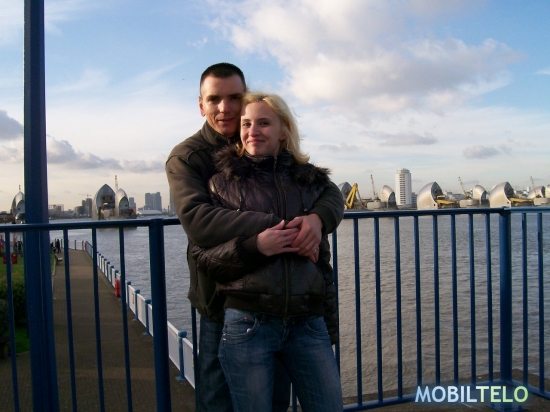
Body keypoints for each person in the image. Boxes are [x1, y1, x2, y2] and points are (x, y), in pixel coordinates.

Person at [166, 63, 344, 412]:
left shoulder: (264, 146)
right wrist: (280, 226)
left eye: (234, 98)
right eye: (214, 99)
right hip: (221, 298)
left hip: (283, 303)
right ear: (201, 105)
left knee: (273, 398)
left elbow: (329, 191)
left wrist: (316, 218)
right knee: (217, 399)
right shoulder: (188, 157)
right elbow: (199, 222)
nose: (225, 108)